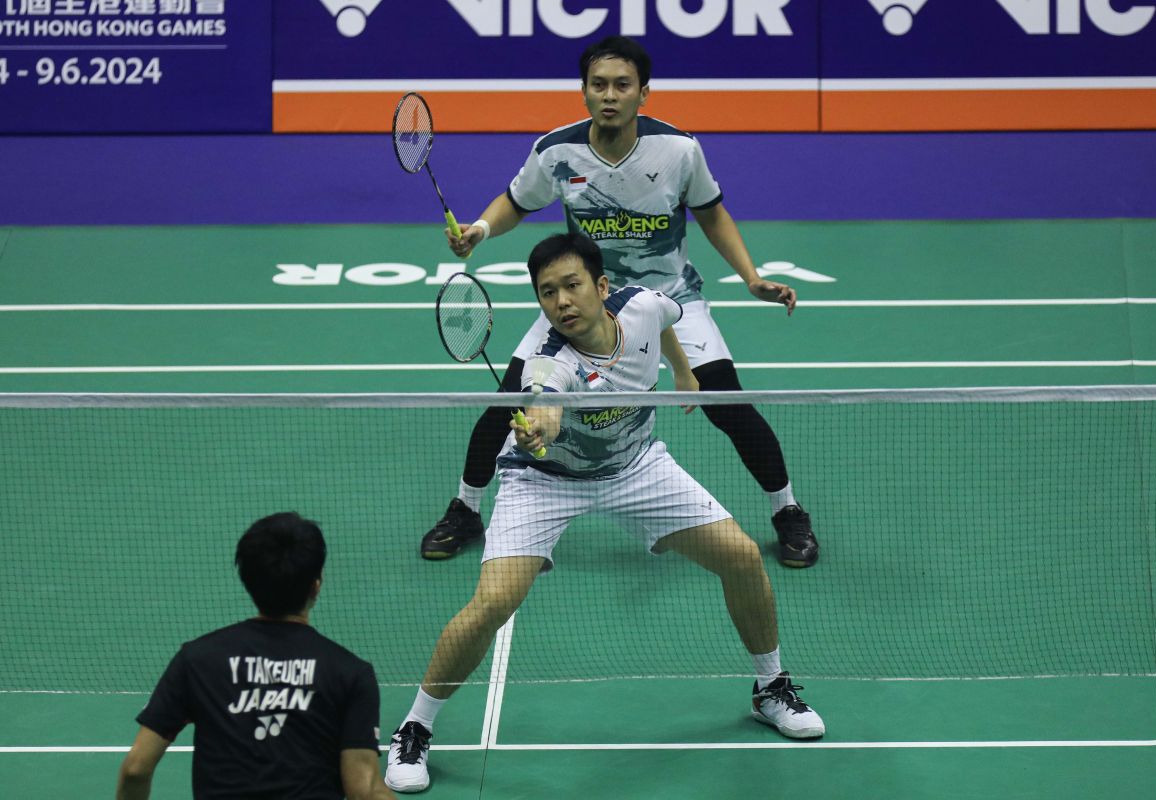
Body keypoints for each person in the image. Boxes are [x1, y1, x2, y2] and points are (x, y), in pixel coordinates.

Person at [386, 233, 824, 793]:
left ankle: (771, 688)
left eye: (571, 286)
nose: (561, 302)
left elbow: (665, 320)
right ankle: (415, 727)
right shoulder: (548, 360)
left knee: (741, 557)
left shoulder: (642, 304)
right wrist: (539, 426)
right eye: (547, 293)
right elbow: (543, 398)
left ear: (601, 286)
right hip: (544, 481)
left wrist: (685, 371)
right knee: (494, 602)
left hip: (635, 467)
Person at [423, 35, 818, 569]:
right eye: (598, 85)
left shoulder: (679, 150)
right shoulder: (557, 152)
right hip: (586, 303)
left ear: (643, 94)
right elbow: (517, 202)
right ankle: (466, 509)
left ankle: (788, 511)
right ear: (584, 92)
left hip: (670, 297)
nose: (609, 95)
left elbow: (711, 211)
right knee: (507, 402)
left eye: (622, 86)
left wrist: (750, 277)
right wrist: (482, 229)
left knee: (728, 404)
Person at [116, 513, 392, 800]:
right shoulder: (350, 673)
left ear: (247, 580)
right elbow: (365, 791)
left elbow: (136, 769)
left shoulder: (197, 660)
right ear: (316, 585)